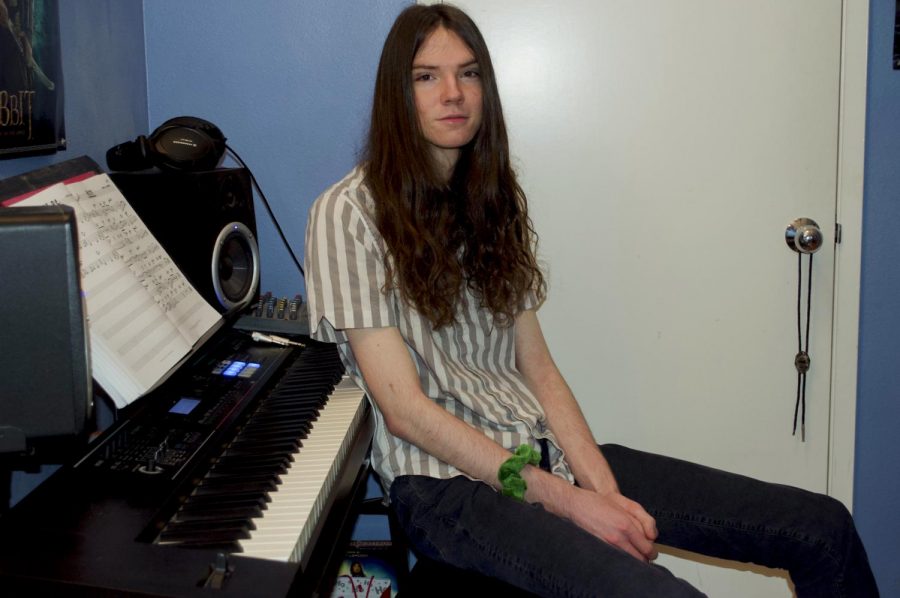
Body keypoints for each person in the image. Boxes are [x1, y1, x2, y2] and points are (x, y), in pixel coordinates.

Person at [305, 4, 879, 596]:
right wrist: (569, 503)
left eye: (469, 73)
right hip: (446, 488)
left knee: (822, 528)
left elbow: (538, 367)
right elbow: (405, 411)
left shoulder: (491, 199)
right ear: (396, 93)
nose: (453, 93)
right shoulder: (347, 214)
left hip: (537, 450)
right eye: (427, 76)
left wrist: (600, 489)